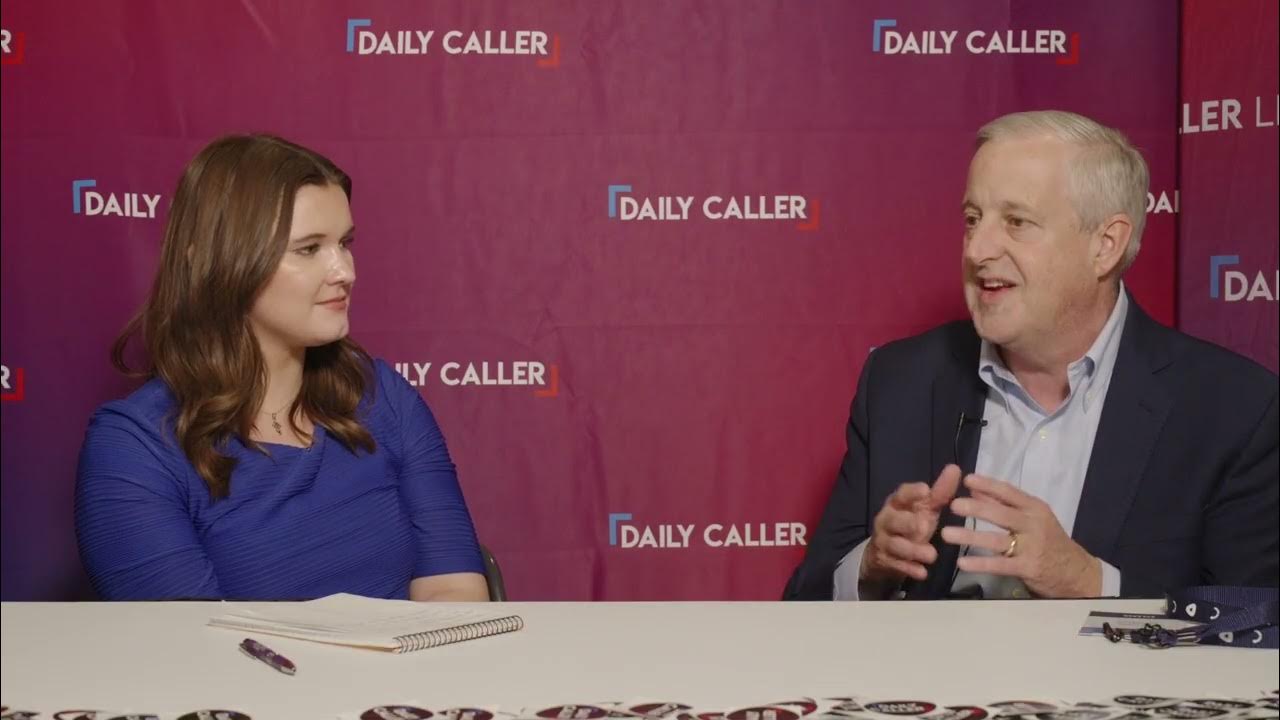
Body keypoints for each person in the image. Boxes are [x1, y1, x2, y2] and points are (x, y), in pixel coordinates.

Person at [784, 110, 1279, 601]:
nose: (977, 250)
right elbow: (803, 604)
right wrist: (872, 567)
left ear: (1105, 245)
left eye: (1016, 222)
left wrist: (1089, 583)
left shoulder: (1235, 410)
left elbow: (1254, 622)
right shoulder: (899, 382)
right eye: (973, 220)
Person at [75, 135, 490, 601]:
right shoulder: (136, 448)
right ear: (216, 263)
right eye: (309, 249)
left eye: (345, 243)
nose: (345, 271)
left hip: (412, 654)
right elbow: (184, 642)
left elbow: (454, 587)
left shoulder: (383, 396)